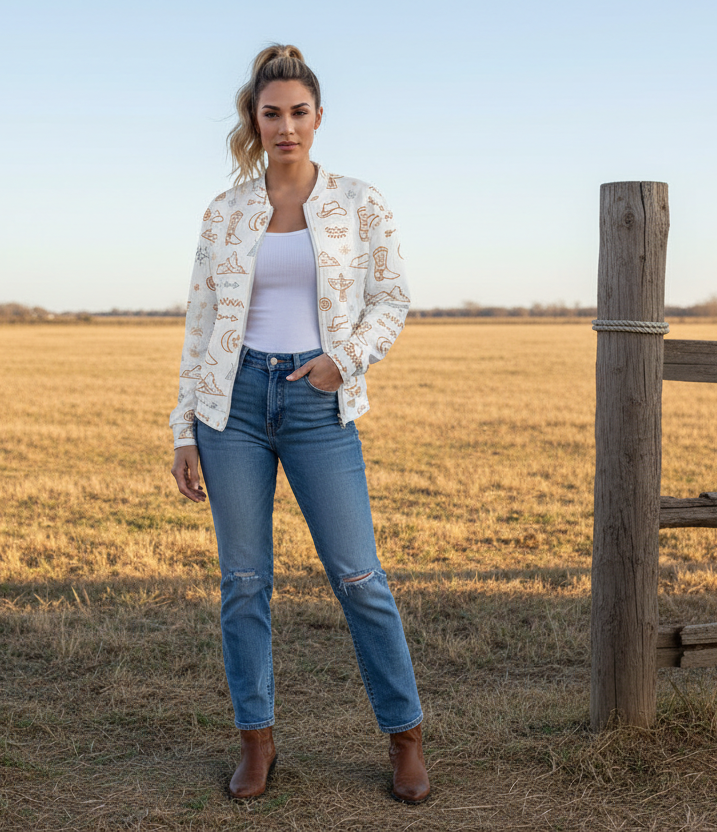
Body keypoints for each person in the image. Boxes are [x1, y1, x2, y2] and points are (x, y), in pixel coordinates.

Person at [169, 44, 429, 804]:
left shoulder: (358, 201)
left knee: (359, 578)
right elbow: (200, 321)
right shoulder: (225, 211)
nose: (286, 126)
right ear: (255, 119)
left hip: (318, 402)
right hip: (233, 406)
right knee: (243, 584)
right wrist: (183, 429)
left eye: (299, 113)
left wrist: (343, 359)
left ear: (319, 117)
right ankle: (258, 741)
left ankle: (405, 735)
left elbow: (393, 299)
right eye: (271, 113)